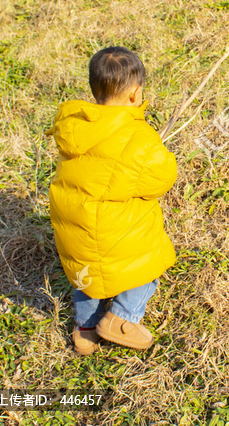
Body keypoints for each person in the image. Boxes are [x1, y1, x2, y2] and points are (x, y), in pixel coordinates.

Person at [46, 46, 177, 354]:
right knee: (148, 265)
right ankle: (122, 319)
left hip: (76, 231)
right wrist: (160, 151)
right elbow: (160, 180)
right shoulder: (140, 138)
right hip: (116, 235)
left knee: (86, 280)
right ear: (135, 94)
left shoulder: (75, 125)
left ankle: (85, 331)